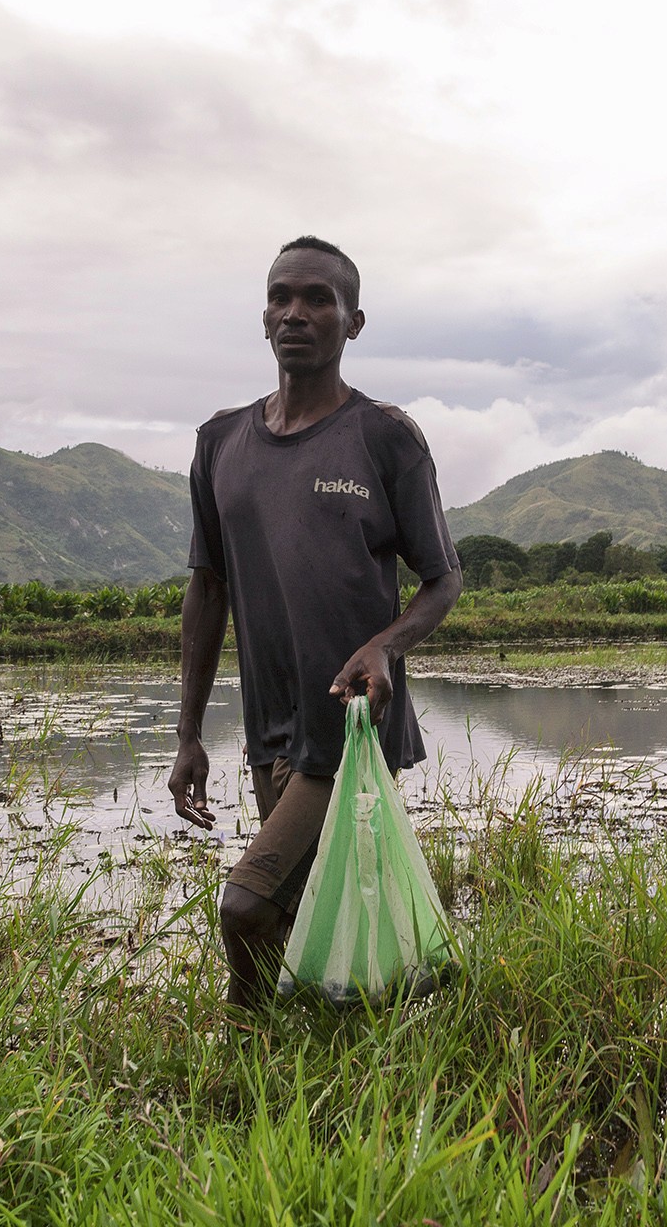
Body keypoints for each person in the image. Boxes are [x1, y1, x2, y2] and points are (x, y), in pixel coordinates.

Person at [168, 235, 463, 1008]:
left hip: (352, 724)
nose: (296, 313)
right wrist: (187, 732)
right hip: (268, 725)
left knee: (244, 907)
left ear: (352, 322)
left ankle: (245, 1047)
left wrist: (384, 646)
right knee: (299, 910)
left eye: (318, 300)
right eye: (281, 297)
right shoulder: (219, 443)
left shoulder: (383, 437)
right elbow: (207, 589)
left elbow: (443, 577)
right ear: (263, 317)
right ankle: (332, 1056)